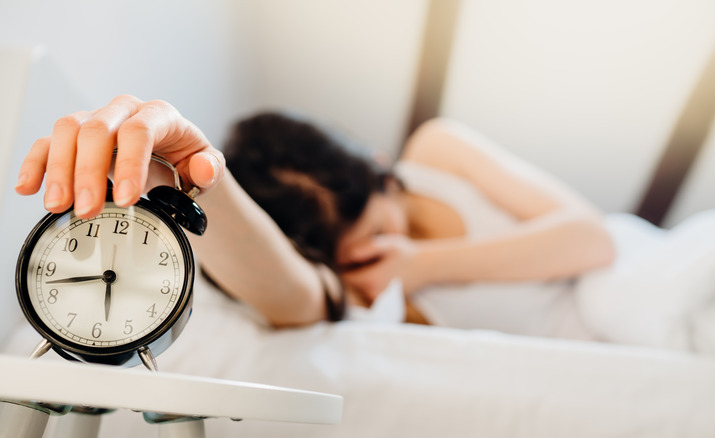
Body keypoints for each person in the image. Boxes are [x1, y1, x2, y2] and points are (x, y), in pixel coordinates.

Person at [15, 95, 616, 332]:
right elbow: (294, 294)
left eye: (380, 229)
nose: (382, 249)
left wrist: (422, 263)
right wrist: (197, 186)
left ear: (381, 168)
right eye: (360, 249)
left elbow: (594, 239)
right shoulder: (360, 278)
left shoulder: (438, 150)